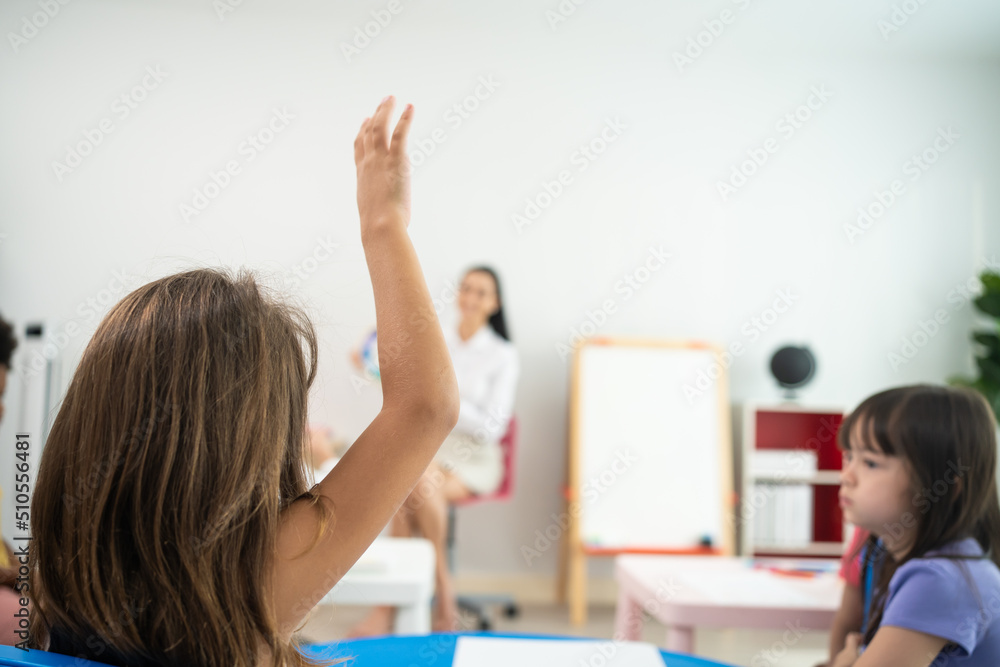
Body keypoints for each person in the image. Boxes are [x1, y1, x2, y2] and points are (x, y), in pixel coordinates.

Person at [28, 95, 460, 667]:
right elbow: (425, 405)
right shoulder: (243, 588)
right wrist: (384, 224)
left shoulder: (56, 568)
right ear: (241, 447)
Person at [347, 265, 519, 636]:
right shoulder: (439, 340)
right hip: (435, 449)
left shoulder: (502, 355)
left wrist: (447, 400)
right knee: (416, 481)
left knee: (411, 486)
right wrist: (369, 364)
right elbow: (408, 383)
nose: (471, 298)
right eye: (466, 289)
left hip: (476, 458)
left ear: (494, 303)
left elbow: (494, 427)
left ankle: (396, 604)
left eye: (481, 292)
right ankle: (444, 590)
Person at [829, 385, 1000, 667]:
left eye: (870, 463)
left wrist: (845, 661)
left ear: (941, 487)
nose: (846, 476)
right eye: (849, 457)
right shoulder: (887, 550)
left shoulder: (940, 580)